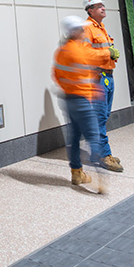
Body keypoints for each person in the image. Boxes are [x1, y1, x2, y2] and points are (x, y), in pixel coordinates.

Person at [53, 15, 112, 192]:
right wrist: (109, 52)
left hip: (69, 99)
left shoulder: (61, 51)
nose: (84, 31)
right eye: (82, 29)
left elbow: (55, 75)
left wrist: (69, 86)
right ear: (75, 31)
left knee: (74, 137)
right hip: (84, 100)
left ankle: (77, 173)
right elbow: (96, 55)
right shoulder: (79, 50)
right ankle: (102, 179)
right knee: (93, 136)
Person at [82, 0, 123, 172]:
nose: (103, 8)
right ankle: (105, 155)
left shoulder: (101, 28)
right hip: (96, 78)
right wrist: (108, 54)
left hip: (107, 76)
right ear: (90, 10)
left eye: (103, 5)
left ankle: (96, 153)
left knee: (103, 116)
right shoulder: (87, 28)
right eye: (99, 6)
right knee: (99, 118)